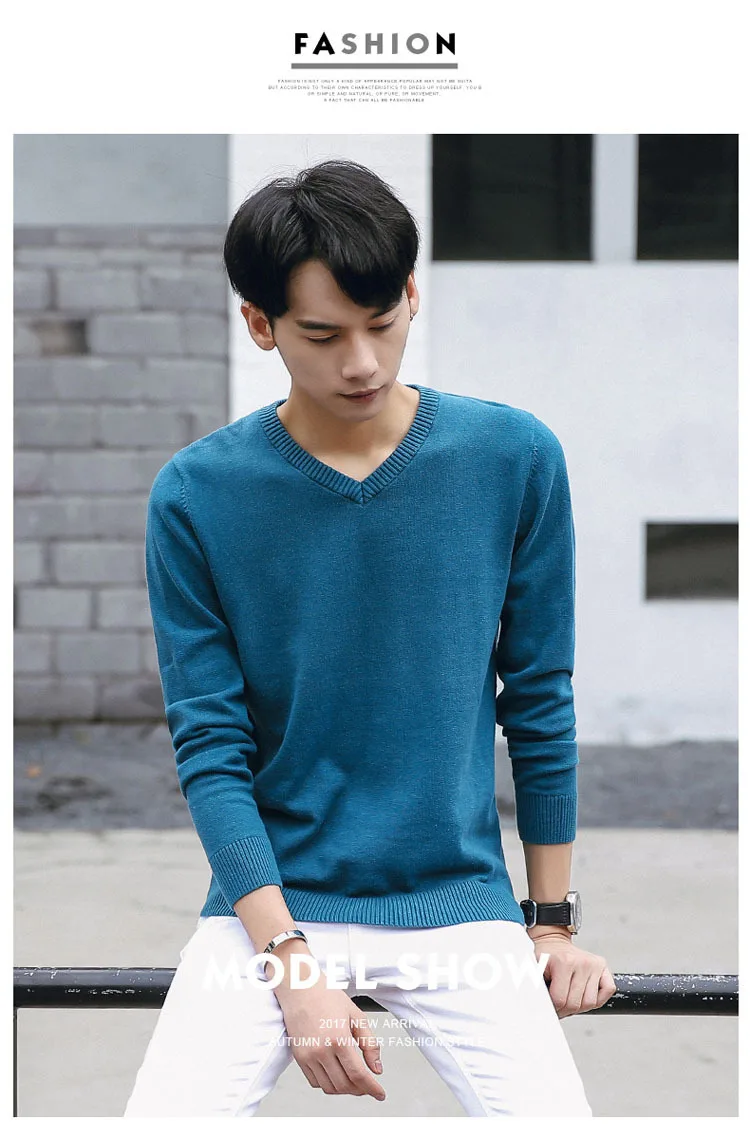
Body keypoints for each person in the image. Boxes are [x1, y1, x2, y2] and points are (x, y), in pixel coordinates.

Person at [124, 158, 616, 1118]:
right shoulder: (198, 494)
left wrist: (550, 926)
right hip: (268, 910)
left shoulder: (512, 458)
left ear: (412, 295)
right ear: (259, 324)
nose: (362, 363)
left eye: (382, 322)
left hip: (459, 906)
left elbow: (539, 696)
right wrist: (290, 963)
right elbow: (211, 745)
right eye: (322, 334)